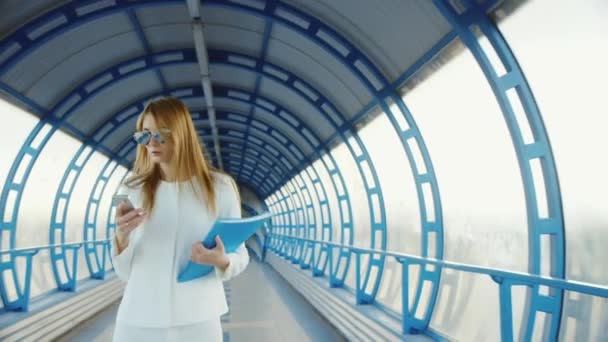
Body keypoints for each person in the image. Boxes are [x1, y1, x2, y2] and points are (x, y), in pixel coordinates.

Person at [110, 97, 249, 342]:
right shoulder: (128, 188)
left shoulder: (221, 187)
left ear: (182, 133)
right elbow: (123, 271)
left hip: (199, 320)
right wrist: (121, 236)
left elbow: (241, 254)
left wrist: (222, 260)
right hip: (138, 319)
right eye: (144, 135)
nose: (151, 143)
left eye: (160, 134)